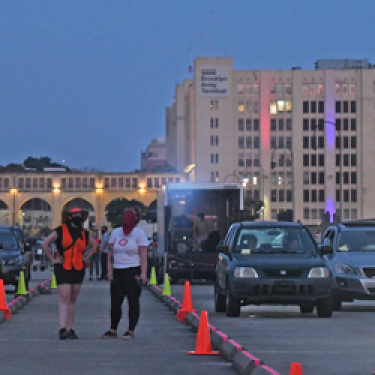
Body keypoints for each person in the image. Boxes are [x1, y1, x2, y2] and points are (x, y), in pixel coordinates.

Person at [42, 208, 97, 340]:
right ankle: (62, 328)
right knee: (64, 296)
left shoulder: (84, 233)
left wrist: (86, 256)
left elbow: (94, 245)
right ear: (69, 217)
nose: (77, 217)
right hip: (63, 266)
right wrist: (53, 259)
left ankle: (69, 328)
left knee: (73, 297)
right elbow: (45, 244)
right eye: (75, 215)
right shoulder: (60, 230)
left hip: (78, 267)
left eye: (79, 215)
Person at [101, 207, 148, 340]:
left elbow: (143, 255)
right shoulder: (116, 232)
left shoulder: (139, 233)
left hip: (133, 270)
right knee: (115, 301)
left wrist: (143, 273)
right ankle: (113, 329)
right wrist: (109, 271)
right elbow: (110, 253)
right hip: (118, 271)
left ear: (136, 218)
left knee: (133, 301)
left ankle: (130, 330)